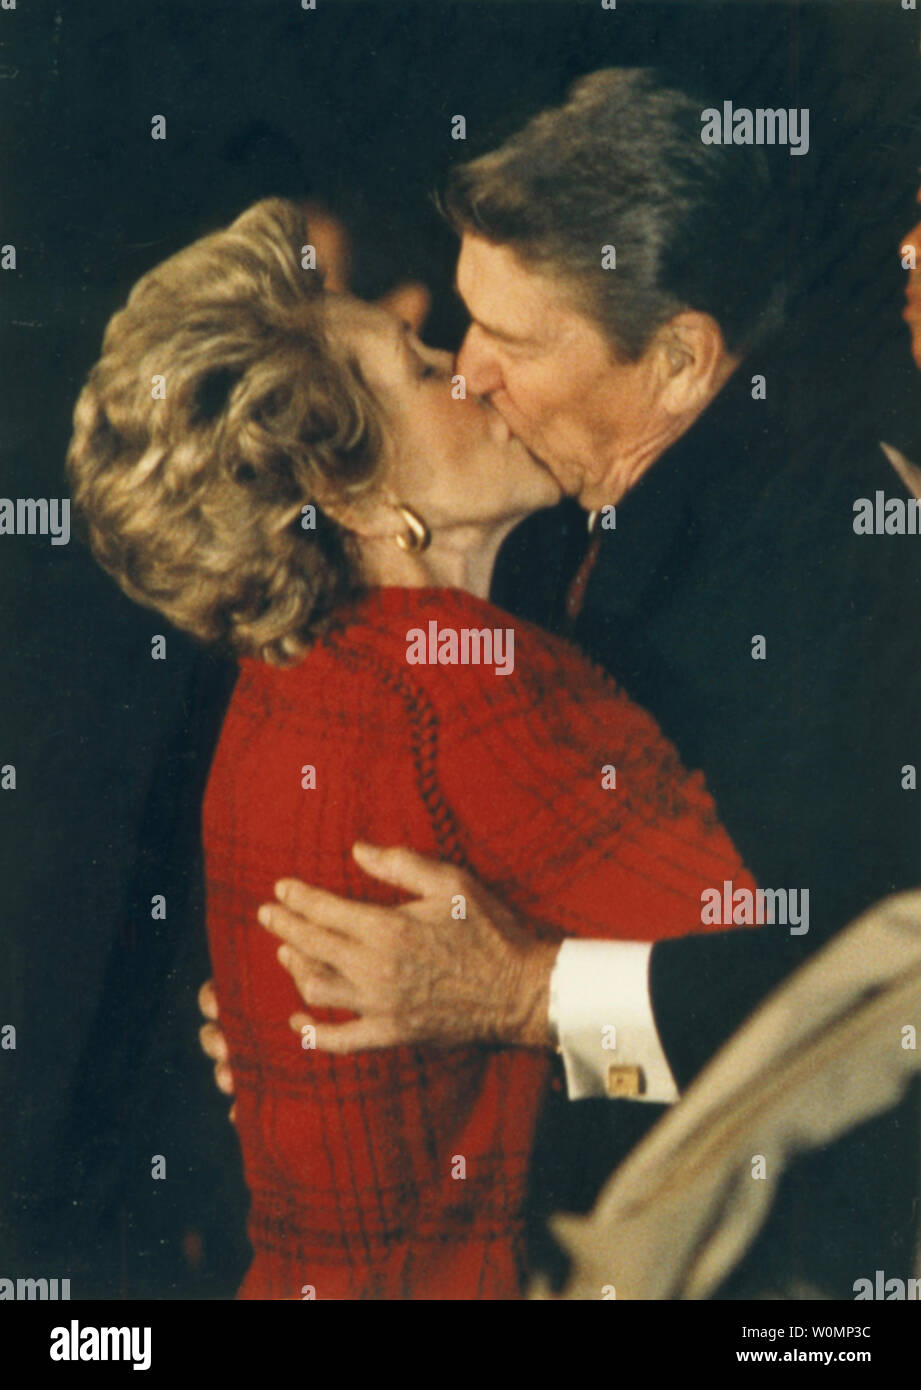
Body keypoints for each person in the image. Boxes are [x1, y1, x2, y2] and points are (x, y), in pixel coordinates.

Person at [210, 69, 921, 1293]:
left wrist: (524, 994)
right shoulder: (545, 511)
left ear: (683, 362)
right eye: (465, 324)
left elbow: (854, 983)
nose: (470, 371)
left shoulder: (817, 555)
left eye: (514, 339)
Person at [67, 197, 757, 1300]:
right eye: (426, 364)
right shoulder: (469, 682)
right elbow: (814, 981)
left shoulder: (292, 676)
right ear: (353, 492)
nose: (475, 375)